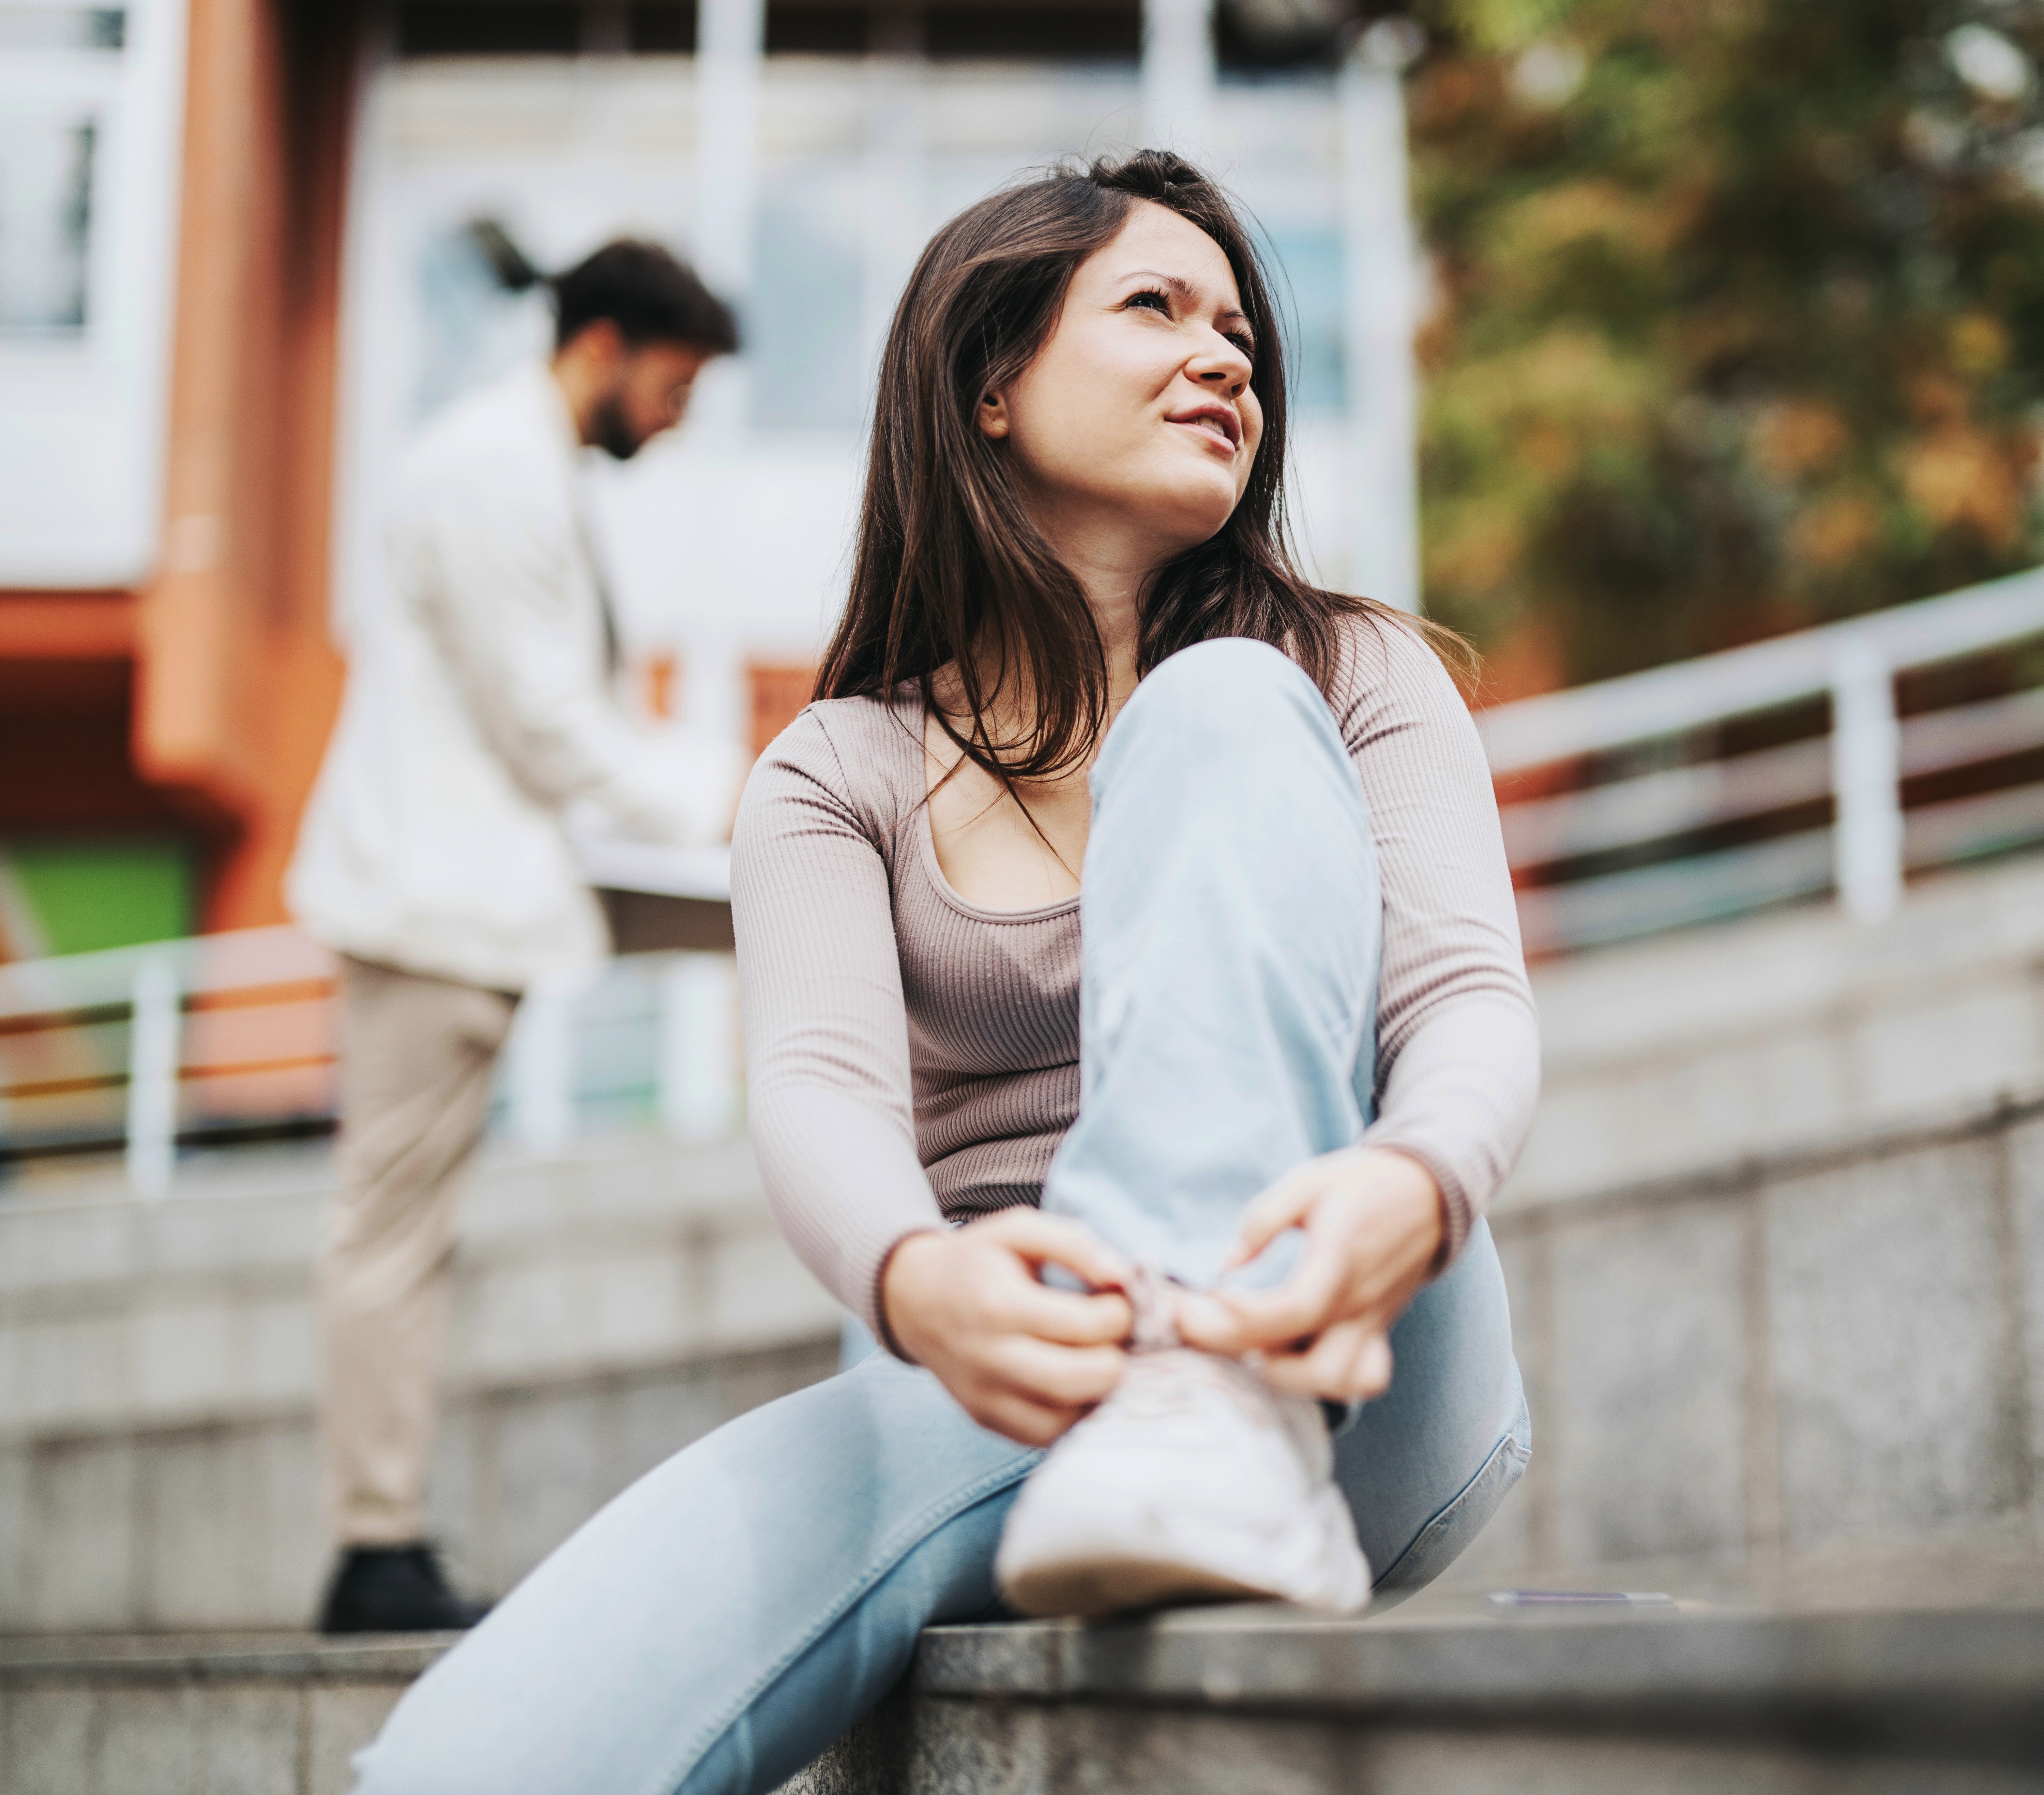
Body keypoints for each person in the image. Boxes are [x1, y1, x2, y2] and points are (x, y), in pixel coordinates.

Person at [346, 150, 1538, 1793]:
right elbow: (819, 1094)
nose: (1227, 356)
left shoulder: (1345, 670)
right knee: (488, 1744)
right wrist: (920, 1281)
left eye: (1244, 335)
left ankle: (1214, 1423)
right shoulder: (837, 771)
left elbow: (1467, 1000)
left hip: (1354, 1343)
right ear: (991, 381)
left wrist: (1416, 1181)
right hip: (1007, 1365)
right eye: (1156, 307)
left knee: (1218, 705)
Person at [286, 240, 748, 1634]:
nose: (678, 417)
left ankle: (379, 1538)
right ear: (603, 344)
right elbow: (548, 726)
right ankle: (374, 1546)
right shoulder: (497, 468)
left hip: (495, 882)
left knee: (804, 910)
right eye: (674, 384)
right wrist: (739, 790)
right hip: (440, 905)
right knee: (392, 1234)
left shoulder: (521, 461)